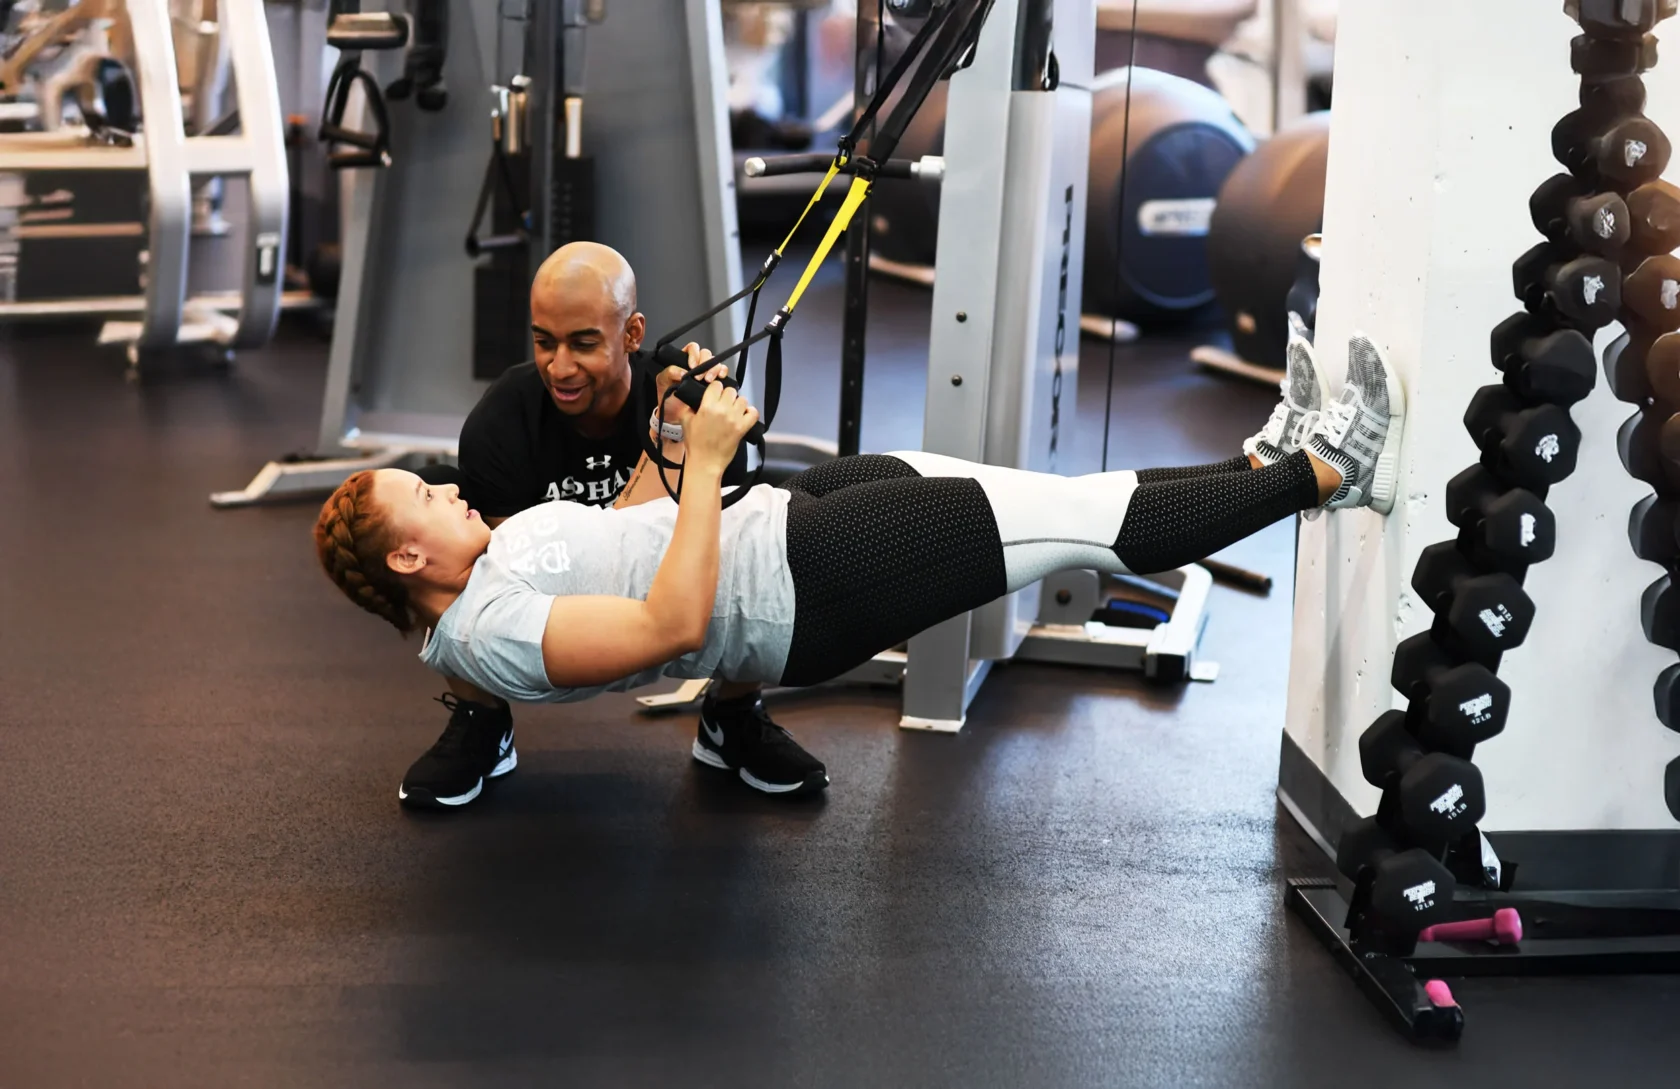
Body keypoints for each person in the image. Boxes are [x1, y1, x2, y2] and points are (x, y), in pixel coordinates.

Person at [314, 318, 1402, 724]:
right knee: (1072, 520)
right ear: (410, 556)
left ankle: (1258, 459)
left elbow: (630, 539)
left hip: (780, 518)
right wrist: (705, 469)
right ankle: (1323, 471)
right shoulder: (489, 637)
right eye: (429, 499)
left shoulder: (494, 555)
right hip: (799, 592)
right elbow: (671, 630)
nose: (453, 488)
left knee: (1048, 496)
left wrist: (671, 431)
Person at [395, 242, 828, 811]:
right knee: (409, 532)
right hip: (554, 603)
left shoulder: (675, 396)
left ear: (632, 333)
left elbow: (693, 530)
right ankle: (483, 718)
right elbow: (529, 581)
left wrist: (688, 427)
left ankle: (731, 715)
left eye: (584, 343)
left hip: (676, 577)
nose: (560, 367)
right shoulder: (502, 423)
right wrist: (668, 443)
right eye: (544, 341)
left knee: (737, 524)